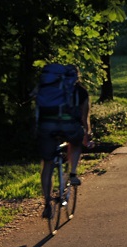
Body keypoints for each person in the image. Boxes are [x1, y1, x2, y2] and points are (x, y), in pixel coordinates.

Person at [37, 66, 92, 218]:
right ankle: (73, 173)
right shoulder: (80, 91)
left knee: (47, 164)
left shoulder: (47, 88)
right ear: (76, 77)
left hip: (47, 127)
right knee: (76, 142)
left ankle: (47, 203)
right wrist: (87, 134)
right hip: (69, 127)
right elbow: (83, 118)